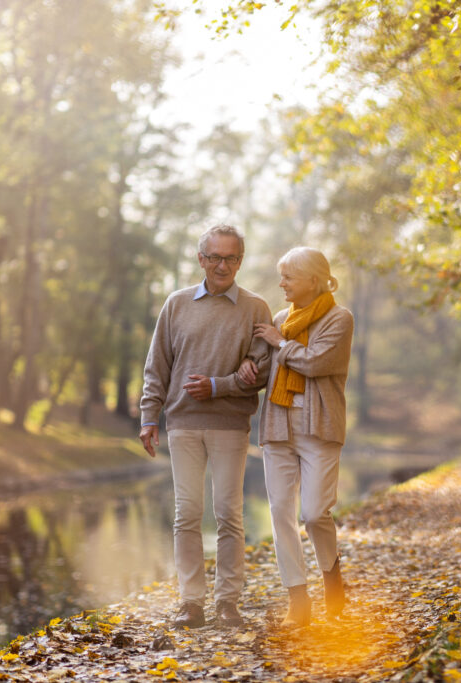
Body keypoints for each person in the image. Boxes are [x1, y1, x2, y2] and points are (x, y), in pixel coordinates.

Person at [139, 224, 272, 629]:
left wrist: (219, 386)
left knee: (230, 514)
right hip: (182, 423)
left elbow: (262, 371)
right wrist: (149, 415)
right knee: (187, 514)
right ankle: (191, 603)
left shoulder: (255, 308)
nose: (222, 265)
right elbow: (157, 364)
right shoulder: (177, 304)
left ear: (240, 261)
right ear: (201, 259)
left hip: (231, 425)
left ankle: (227, 603)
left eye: (231, 257)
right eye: (214, 257)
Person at [238, 246, 353, 627]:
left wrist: (278, 343)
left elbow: (317, 362)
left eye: (289, 276)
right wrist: (248, 369)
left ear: (314, 281)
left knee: (315, 512)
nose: (282, 283)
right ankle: (298, 600)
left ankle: (331, 575)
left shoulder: (340, 319)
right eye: (281, 275)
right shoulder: (280, 320)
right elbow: (266, 362)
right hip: (277, 425)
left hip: (319, 428)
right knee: (280, 512)